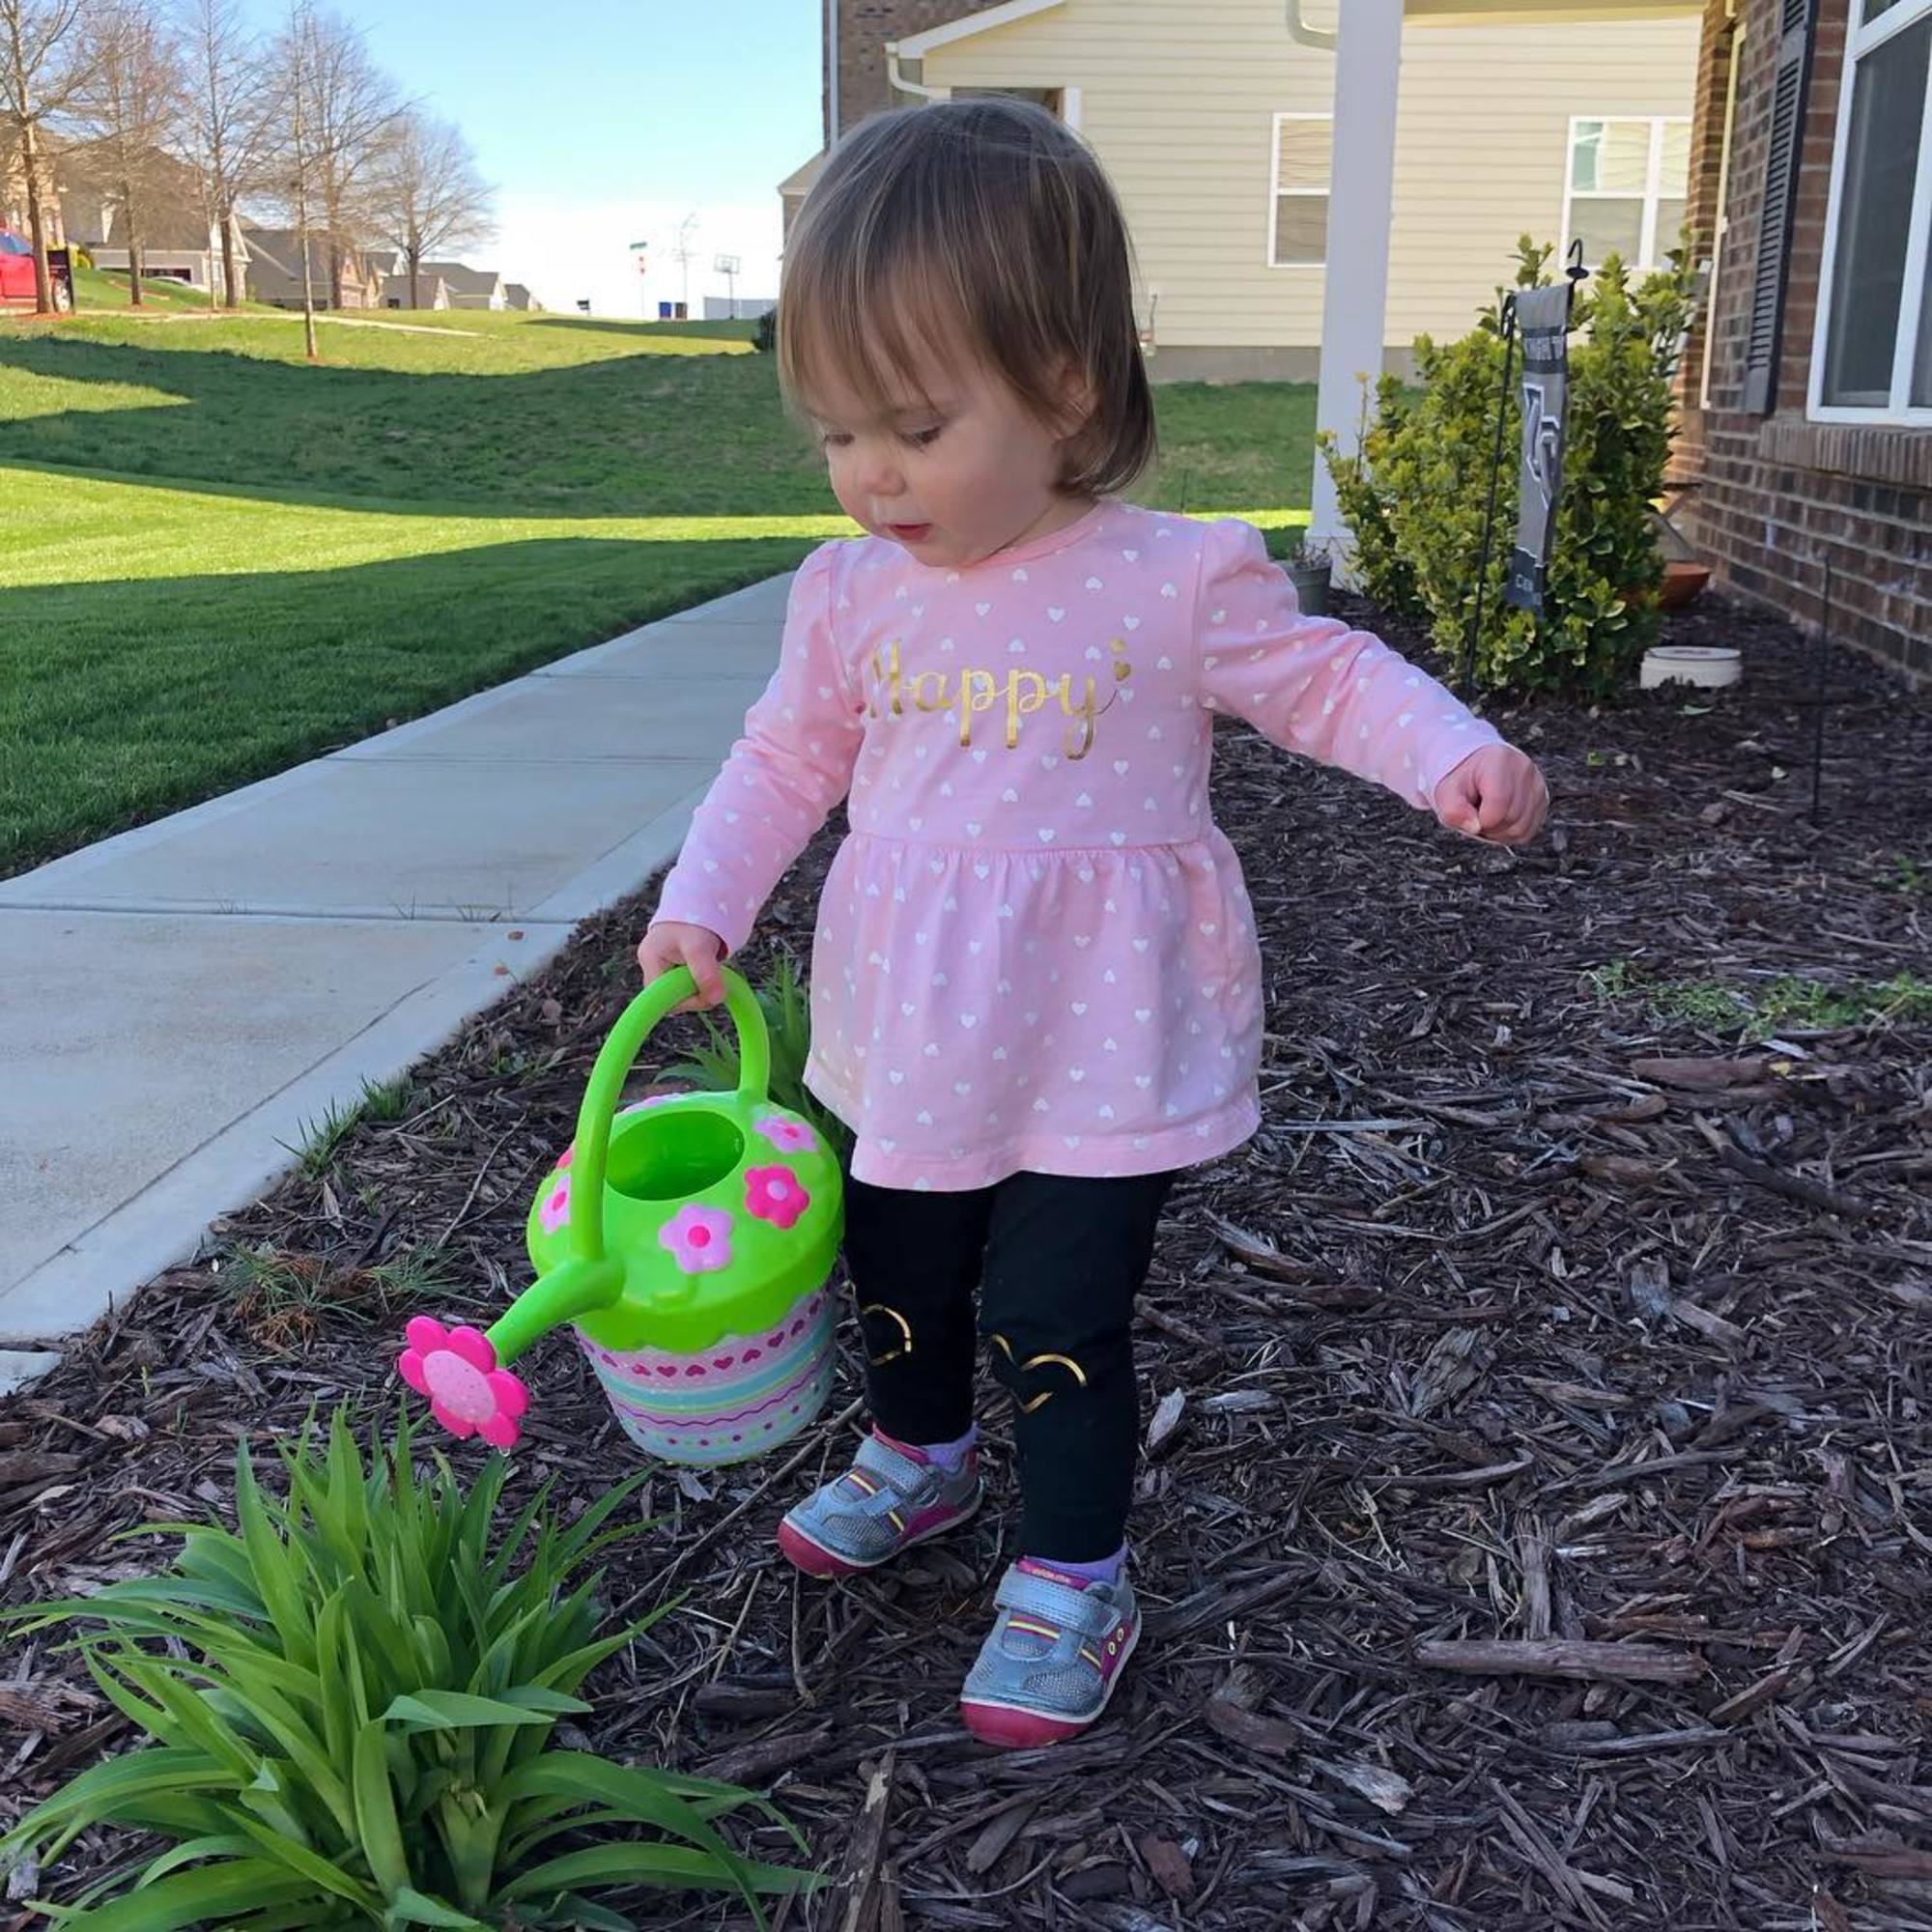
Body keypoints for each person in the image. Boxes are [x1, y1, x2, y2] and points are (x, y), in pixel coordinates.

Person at [638, 99, 1548, 1748]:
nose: (868, 475)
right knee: (894, 1268)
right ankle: (916, 1450)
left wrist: (1451, 753)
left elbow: (1324, 678)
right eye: (835, 433)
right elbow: (785, 759)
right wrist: (706, 896)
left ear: (1064, 386)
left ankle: (1072, 1570)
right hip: (904, 1031)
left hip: (1101, 1041)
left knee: (1059, 1310)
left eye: (910, 424)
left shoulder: (1169, 579)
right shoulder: (846, 596)